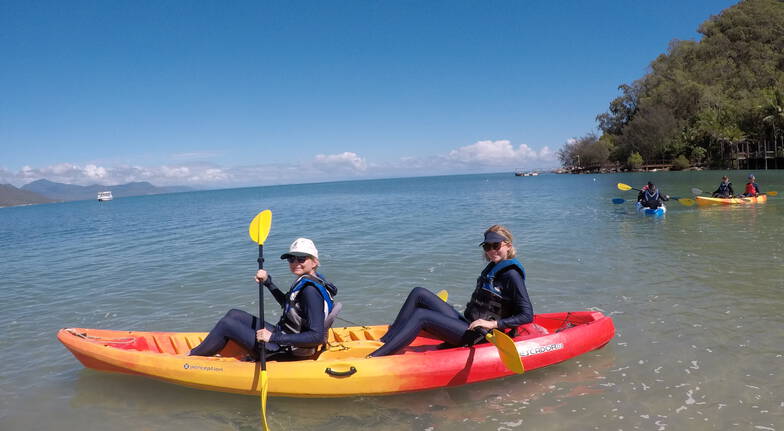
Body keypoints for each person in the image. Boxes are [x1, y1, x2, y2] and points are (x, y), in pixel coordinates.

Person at [369, 225, 533, 357]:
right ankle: (386, 341)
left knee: (422, 315)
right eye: (487, 246)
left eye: (496, 245)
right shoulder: (494, 268)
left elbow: (527, 315)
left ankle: (376, 358)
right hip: (468, 324)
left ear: (508, 245)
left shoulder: (511, 274)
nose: (491, 250)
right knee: (419, 293)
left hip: (482, 336)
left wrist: (491, 324)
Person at [189, 237, 338, 360]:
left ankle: (191, 358)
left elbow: (316, 336)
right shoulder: (313, 279)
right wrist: (268, 282)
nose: (295, 263)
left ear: (315, 261)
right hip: (285, 337)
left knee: (227, 324)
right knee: (234, 314)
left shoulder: (310, 291)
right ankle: (211, 347)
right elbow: (289, 305)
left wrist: (272, 338)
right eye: (291, 259)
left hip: (288, 351)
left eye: (301, 259)